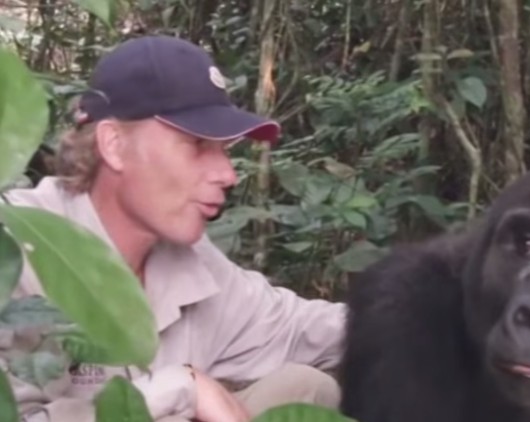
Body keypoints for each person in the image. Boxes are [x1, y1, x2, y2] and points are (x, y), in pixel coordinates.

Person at [2, 35, 346, 422]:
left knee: (305, 387)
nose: (227, 174)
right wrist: (178, 388)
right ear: (114, 145)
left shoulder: (188, 260)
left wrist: (416, 301)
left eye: (225, 151)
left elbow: (303, 331)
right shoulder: (15, 250)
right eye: (197, 144)